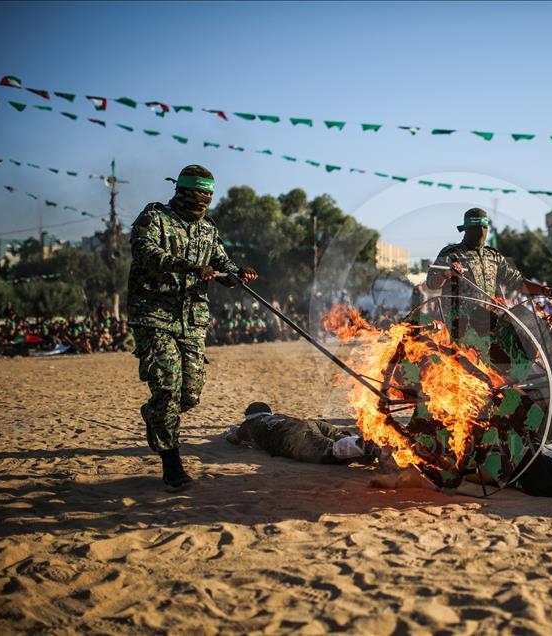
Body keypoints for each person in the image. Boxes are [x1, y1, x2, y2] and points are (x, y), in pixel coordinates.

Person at [128, 164, 259, 489]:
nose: (204, 201)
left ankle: (155, 414)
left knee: (189, 395)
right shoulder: (155, 217)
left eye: (209, 196)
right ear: (183, 191)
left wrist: (238, 274)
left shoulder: (207, 229)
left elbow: (221, 263)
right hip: (154, 315)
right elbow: (145, 252)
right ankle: (172, 465)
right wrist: (188, 267)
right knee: (168, 387)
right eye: (199, 194)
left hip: (192, 320)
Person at [425, 208, 552, 333]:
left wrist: (543, 290)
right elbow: (431, 283)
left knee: (525, 323)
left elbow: (517, 282)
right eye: (476, 227)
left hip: (487, 321)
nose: (481, 231)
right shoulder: (451, 254)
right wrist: (447, 274)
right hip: (458, 323)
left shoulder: (493, 256)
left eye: (484, 227)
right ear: (466, 229)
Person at [224, 402, 379, 464]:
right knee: (340, 437)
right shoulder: (277, 416)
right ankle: (370, 448)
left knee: (330, 450)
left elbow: (234, 438)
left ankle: (366, 447)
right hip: (308, 423)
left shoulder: (249, 425)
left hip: (291, 436)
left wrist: (230, 432)